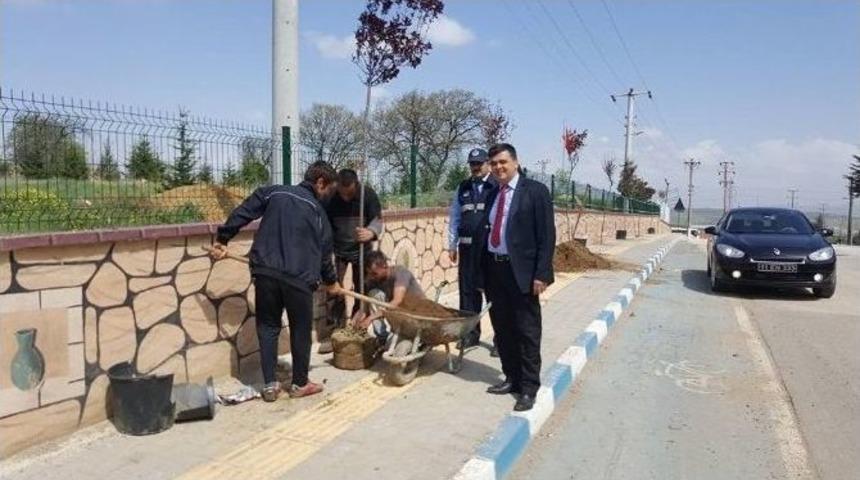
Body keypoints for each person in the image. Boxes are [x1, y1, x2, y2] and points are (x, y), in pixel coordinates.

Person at [210, 161, 343, 402]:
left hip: (265, 272)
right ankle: (300, 383)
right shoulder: (317, 212)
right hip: (300, 278)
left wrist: (223, 238)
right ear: (320, 182)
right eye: (329, 191)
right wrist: (332, 283)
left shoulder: (275, 192)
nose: (328, 197)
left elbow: (245, 210)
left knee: (268, 326)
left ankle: (270, 384)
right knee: (301, 329)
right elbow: (325, 254)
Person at [474, 143, 556, 412]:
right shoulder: (492, 194)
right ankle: (511, 377)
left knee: (527, 331)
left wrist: (542, 273)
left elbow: (547, 235)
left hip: (522, 273)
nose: (498, 167)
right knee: (503, 328)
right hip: (495, 271)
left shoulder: (535, 192)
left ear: (516, 162)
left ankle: (529, 387)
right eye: (494, 163)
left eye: (503, 162)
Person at [319, 168, 384, 354]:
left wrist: (371, 232)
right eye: (342, 193)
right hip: (338, 250)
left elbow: (378, 220)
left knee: (362, 289)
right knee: (334, 289)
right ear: (337, 186)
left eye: (349, 194)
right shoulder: (331, 196)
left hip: (362, 250)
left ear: (355, 185)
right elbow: (323, 221)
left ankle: (358, 328)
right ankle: (335, 331)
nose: (346, 198)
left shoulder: (368, 194)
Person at [447, 147, 495, 351]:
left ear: (487, 164)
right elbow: (455, 217)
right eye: (472, 164)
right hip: (466, 249)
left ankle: (501, 341)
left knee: (495, 294)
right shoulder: (463, 187)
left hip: (489, 250)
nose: (475, 168)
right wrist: (452, 245)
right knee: (467, 294)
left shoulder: (496, 186)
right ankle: (470, 335)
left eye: (479, 163)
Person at [352, 251, 424, 336]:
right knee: (374, 294)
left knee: (402, 347)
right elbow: (365, 305)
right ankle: (382, 337)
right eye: (370, 273)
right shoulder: (374, 280)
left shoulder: (401, 273)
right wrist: (355, 321)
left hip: (416, 312)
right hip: (397, 315)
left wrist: (370, 318)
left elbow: (397, 301)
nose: (372, 276)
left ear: (384, 266)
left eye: (374, 273)